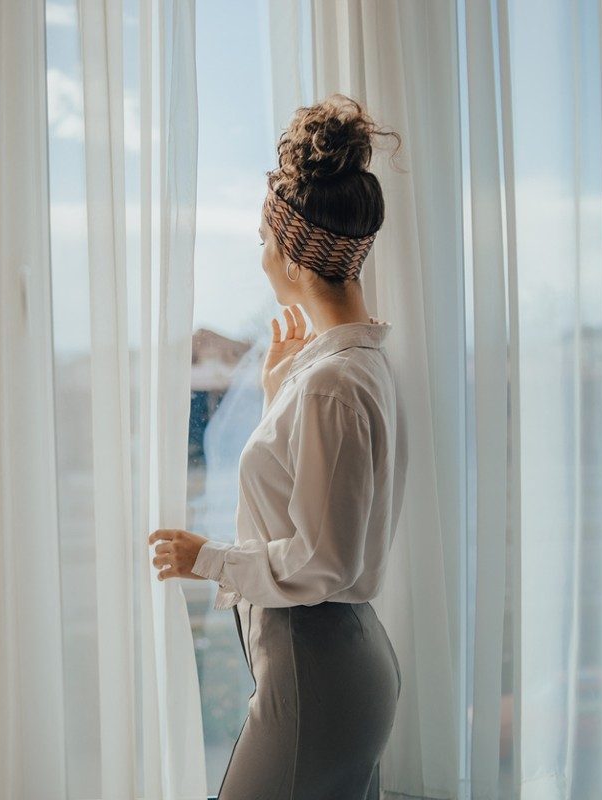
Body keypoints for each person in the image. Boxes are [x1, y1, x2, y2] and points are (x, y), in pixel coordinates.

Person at [147, 93, 409, 799]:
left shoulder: (331, 384)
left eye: (265, 238)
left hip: (316, 672)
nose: (260, 255)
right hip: (337, 666)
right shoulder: (351, 369)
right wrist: (275, 394)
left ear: (293, 253)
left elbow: (323, 560)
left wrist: (209, 560)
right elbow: (315, 507)